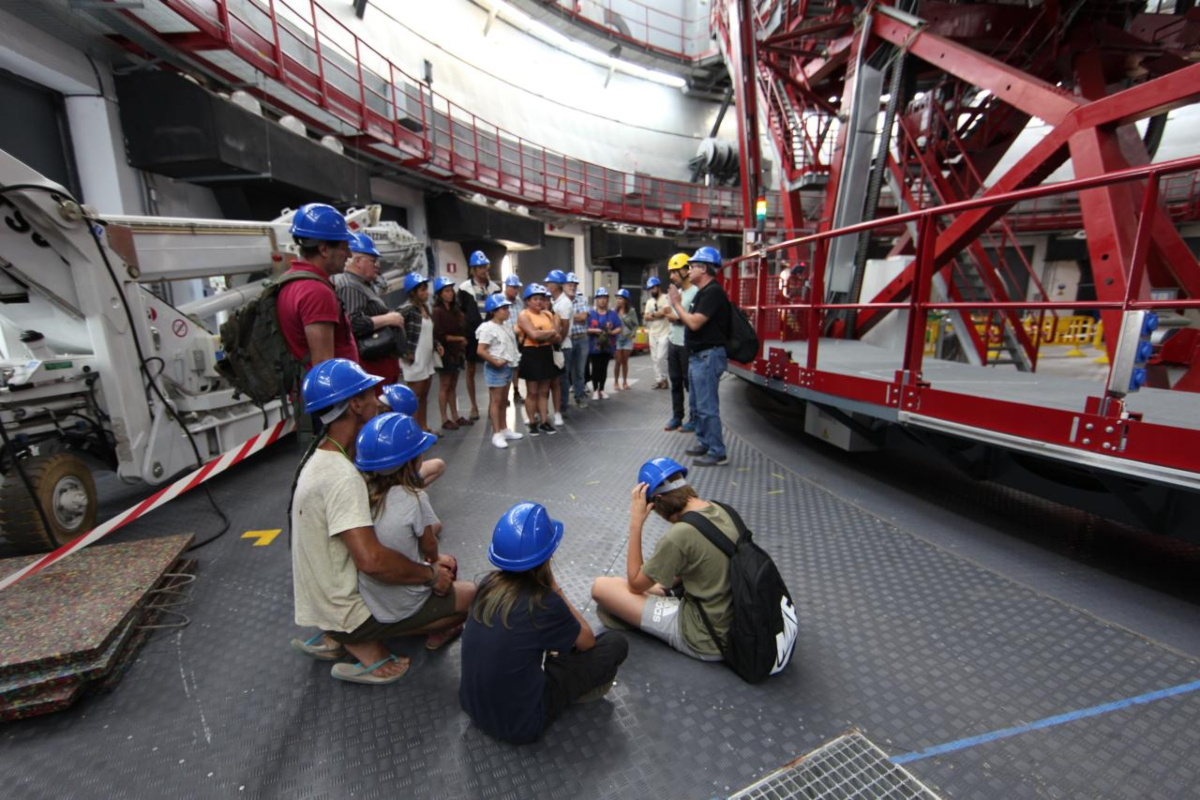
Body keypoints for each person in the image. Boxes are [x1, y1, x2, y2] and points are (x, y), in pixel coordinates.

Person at [288, 358, 453, 684]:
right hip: (346, 608)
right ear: (354, 404)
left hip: (321, 600)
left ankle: (338, 636)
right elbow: (372, 561)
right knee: (465, 599)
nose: (377, 400)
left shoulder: (324, 456)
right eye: (369, 393)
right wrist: (430, 574)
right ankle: (357, 639)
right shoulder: (342, 477)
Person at [460, 502, 629, 744]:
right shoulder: (544, 603)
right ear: (547, 556)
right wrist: (553, 587)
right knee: (614, 643)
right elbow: (587, 642)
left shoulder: (488, 585)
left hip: (474, 708)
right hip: (521, 725)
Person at [354, 412, 477, 659]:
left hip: (371, 600)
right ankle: (437, 628)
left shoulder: (359, 495)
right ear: (411, 461)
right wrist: (435, 561)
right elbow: (430, 549)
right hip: (401, 603)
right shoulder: (415, 498)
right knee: (467, 586)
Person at [590, 457, 733, 663]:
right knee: (650, 588)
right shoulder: (722, 510)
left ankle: (658, 599)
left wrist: (636, 523)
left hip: (706, 636)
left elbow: (635, 584)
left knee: (602, 588)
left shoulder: (680, 535)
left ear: (656, 503)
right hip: (732, 618)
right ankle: (661, 592)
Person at [670, 247, 732, 467]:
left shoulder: (713, 292)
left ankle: (717, 451)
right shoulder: (703, 293)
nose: (689, 269)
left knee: (706, 406)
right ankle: (705, 442)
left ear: (703, 268)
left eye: (693, 265)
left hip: (707, 356)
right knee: (697, 404)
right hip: (698, 356)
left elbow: (695, 322)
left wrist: (677, 303)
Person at [278, 203, 358, 368]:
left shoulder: (291, 281)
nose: (349, 254)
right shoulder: (316, 291)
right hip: (334, 391)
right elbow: (323, 365)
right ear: (324, 249)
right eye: (345, 247)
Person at [333, 232, 403, 390]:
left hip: (381, 362)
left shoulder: (361, 284)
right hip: (371, 364)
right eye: (373, 260)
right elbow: (353, 324)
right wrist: (388, 319)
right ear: (358, 261)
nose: (377, 265)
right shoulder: (350, 285)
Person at [476, 294, 524, 449]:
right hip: (496, 368)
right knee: (496, 401)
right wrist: (495, 362)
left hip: (507, 367)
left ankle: (504, 429)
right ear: (494, 311)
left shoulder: (505, 326)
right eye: (504, 308)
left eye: (507, 308)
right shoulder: (487, 328)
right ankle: (496, 433)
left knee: (504, 400)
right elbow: (481, 350)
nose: (507, 311)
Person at [457, 251, 501, 423]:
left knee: (492, 368)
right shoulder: (464, 288)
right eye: (480, 267)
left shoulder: (495, 288)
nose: (484, 270)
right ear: (473, 270)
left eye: (485, 267)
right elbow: (460, 313)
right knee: (471, 369)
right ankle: (474, 406)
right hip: (471, 334)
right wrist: (463, 335)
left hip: (491, 334)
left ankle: (493, 405)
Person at [379, 383, 445, 486]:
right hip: (388, 479)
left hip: (396, 475)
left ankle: (410, 486)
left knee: (438, 465)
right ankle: (409, 489)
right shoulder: (382, 434)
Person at [516, 283, 561, 436]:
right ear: (528, 301)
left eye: (541, 299)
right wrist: (550, 332)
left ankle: (544, 421)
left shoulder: (548, 314)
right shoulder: (524, 315)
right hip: (531, 353)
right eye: (535, 299)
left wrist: (544, 333)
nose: (539, 302)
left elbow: (558, 337)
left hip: (546, 352)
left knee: (544, 391)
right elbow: (534, 335)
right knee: (532, 392)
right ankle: (532, 422)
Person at [662, 252, 698, 433]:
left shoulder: (696, 292)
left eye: (675, 272)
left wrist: (674, 315)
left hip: (686, 344)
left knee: (689, 383)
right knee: (675, 381)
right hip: (673, 342)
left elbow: (691, 318)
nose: (672, 276)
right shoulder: (680, 293)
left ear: (685, 270)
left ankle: (694, 418)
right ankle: (677, 416)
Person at [432, 276, 470, 431]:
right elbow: (441, 335)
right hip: (445, 352)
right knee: (445, 385)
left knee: (453, 385)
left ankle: (455, 415)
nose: (450, 294)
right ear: (440, 294)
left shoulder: (455, 311)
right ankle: (444, 418)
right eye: (446, 291)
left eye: (451, 290)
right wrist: (460, 338)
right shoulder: (437, 312)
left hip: (456, 351)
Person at [399, 273, 435, 433]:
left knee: (424, 396)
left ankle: (423, 427)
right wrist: (405, 352)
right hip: (414, 359)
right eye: (422, 290)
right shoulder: (406, 310)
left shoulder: (425, 308)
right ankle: (414, 432)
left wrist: (437, 344)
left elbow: (427, 331)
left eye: (426, 289)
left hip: (427, 359)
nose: (426, 292)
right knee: (415, 397)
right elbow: (396, 333)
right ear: (413, 292)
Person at [545, 270, 573, 428]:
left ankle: (562, 408)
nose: (547, 286)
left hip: (563, 346)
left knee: (562, 379)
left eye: (549, 283)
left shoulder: (564, 303)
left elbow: (565, 326)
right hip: (557, 345)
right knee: (557, 378)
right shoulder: (555, 301)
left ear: (556, 285)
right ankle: (558, 407)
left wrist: (557, 343)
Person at [586, 287, 621, 400]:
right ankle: (595, 390)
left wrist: (611, 332)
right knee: (595, 368)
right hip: (594, 346)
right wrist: (596, 331)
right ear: (596, 300)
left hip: (608, 346)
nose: (602, 300)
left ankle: (602, 389)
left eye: (604, 298)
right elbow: (586, 328)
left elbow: (619, 328)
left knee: (604, 368)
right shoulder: (591, 314)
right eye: (600, 298)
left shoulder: (612, 314)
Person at [564, 272, 590, 408]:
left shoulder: (582, 299)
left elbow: (584, 317)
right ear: (564, 285)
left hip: (581, 339)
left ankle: (579, 397)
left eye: (574, 284)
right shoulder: (560, 301)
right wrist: (576, 316)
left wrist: (568, 316)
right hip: (566, 340)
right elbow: (561, 319)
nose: (572, 287)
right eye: (570, 284)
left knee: (579, 371)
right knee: (565, 371)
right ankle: (564, 402)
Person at [642, 276, 671, 390]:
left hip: (664, 332)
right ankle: (659, 381)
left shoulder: (666, 298)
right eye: (650, 289)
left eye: (653, 288)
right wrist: (657, 314)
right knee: (654, 358)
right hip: (652, 332)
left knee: (661, 357)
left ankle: (664, 379)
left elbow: (667, 311)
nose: (651, 291)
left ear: (658, 287)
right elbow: (645, 317)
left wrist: (653, 315)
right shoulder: (649, 302)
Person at [501, 274, 525, 403]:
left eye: (517, 288)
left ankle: (516, 392)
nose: (515, 290)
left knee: (516, 366)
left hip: (517, 340)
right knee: (505, 367)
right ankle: (504, 395)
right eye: (513, 288)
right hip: (503, 340)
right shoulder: (499, 300)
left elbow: (522, 320)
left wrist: (521, 334)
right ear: (507, 287)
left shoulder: (519, 302)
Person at [613, 288, 639, 391]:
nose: (618, 300)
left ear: (625, 300)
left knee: (625, 362)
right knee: (617, 361)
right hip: (617, 339)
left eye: (620, 298)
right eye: (617, 298)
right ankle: (615, 382)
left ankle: (624, 381)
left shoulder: (631, 311)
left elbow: (636, 324)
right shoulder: (613, 312)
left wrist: (633, 334)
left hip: (627, 339)